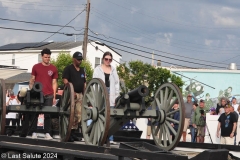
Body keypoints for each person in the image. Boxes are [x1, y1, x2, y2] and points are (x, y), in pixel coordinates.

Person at [29, 48, 58, 140]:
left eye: (49, 57)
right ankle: (34, 132)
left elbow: (54, 83)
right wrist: (31, 87)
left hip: (49, 94)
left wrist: (54, 96)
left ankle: (47, 133)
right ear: (42, 56)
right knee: (35, 113)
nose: (47, 59)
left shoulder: (53, 68)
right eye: (45, 57)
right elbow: (32, 79)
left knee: (48, 114)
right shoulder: (36, 67)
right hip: (38, 94)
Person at [93, 51, 119, 144]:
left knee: (111, 117)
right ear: (103, 59)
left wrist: (116, 97)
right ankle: (100, 136)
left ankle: (110, 138)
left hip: (111, 94)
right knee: (101, 116)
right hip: (101, 93)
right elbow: (94, 82)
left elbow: (116, 84)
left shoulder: (113, 70)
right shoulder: (98, 69)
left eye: (110, 59)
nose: (108, 61)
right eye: (106, 59)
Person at [62, 51, 86, 142]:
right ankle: (69, 133)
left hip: (80, 94)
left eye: (81, 60)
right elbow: (65, 80)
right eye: (78, 59)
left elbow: (84, 83)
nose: (80, 61)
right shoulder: (68, 68)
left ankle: (74, 133)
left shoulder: (82, 70)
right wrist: (71, 91)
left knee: (78, 115)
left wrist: (85, 94)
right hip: (71, 94)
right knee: (71, 114)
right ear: (74, 59)